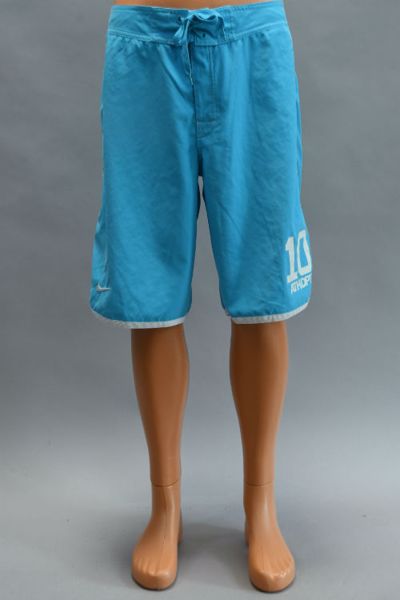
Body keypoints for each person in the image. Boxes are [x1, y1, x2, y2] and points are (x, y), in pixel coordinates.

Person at [89, 0, 313, 591]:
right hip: (145, 48)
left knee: (264, 294)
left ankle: (260, 504)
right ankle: (165, 507)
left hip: (251, 44)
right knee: (150, 295)